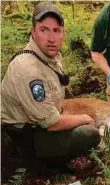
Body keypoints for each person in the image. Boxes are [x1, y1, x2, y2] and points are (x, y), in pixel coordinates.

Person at [1, 2, 101, 160]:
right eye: (44, 30)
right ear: (33, 32)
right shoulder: (28, 69)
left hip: (38, 124)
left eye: (56, 30)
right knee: (89, 134)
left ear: (63, 33)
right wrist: (85, 118)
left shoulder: (50, 56)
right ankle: (39, 165)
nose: (51, 38)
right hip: (22, 138)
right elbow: (52, 123)